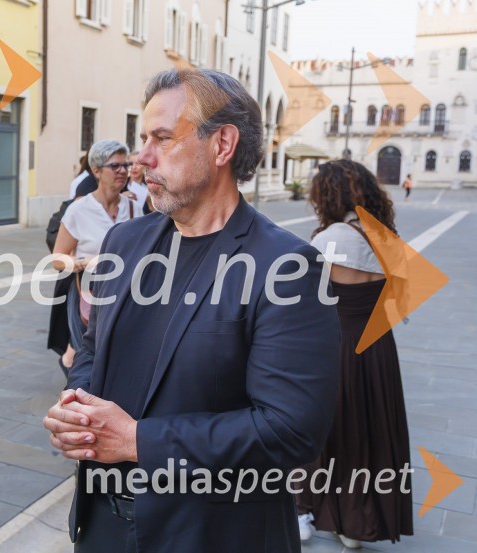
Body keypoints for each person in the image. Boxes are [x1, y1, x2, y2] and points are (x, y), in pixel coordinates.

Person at [43, 68, 340, 553]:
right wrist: (76, 410)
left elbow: (290, 431)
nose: (142, 157)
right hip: (102, 529)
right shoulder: (125, 241)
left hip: (214, 537)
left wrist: (140, 441)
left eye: (162, 137)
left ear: (222, 145)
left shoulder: (287, 267)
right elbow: (94, 354)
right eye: (144, 138)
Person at [297, 160, 413, 549]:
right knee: (369, 431)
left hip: (336, 345)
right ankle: (355, 522)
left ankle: (304, 511)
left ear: (328, 195)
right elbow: (400, 301)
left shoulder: (331, 238)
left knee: (325, 430)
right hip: (379, 348)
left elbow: (301, 301)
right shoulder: (385, 236)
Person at [52, 139, 136, 371]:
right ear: (97, 171)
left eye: (126, 165)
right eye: (115, 166)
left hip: (127, 294)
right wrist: (83, 263)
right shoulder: (79, 210)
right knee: (90, 356)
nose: (123, 171)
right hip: (90, 293)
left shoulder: (134, 208)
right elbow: (57, 258)